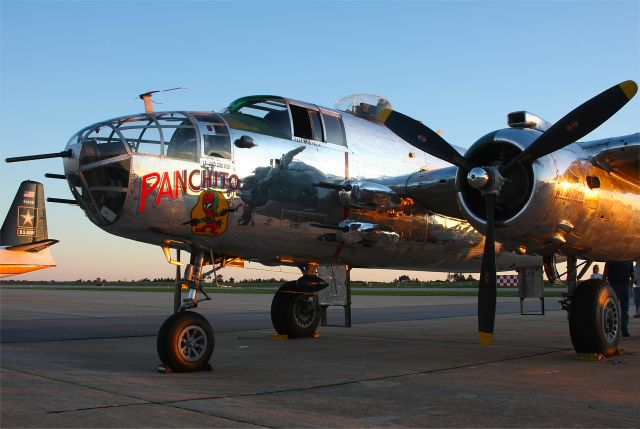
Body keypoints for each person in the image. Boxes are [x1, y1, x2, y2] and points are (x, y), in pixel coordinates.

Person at [603, 261, 634, 337]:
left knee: (623, 310)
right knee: (614, 310)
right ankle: (614, 330)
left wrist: (631, 283)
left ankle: (623, 330)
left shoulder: (628, 260)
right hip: (614, 287)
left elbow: (632, 274)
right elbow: (605, 273)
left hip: (623, 287)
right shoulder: (627, 260)